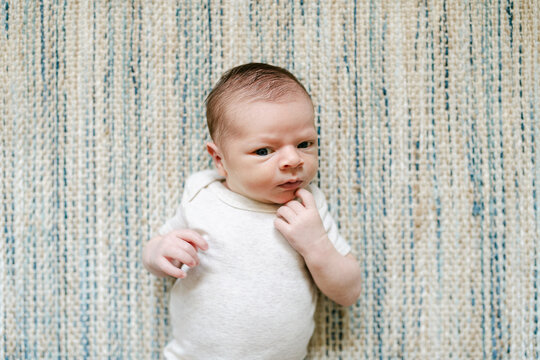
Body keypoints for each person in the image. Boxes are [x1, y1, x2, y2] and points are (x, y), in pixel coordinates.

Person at [142, 63, 362, 359]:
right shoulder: (201, 195)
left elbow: (348, 292)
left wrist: (316, 246)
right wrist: (159, 253)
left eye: (304, 143)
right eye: (264, 151)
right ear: (219, 158)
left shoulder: (307, 208)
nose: (292, 159)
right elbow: (157, 249)